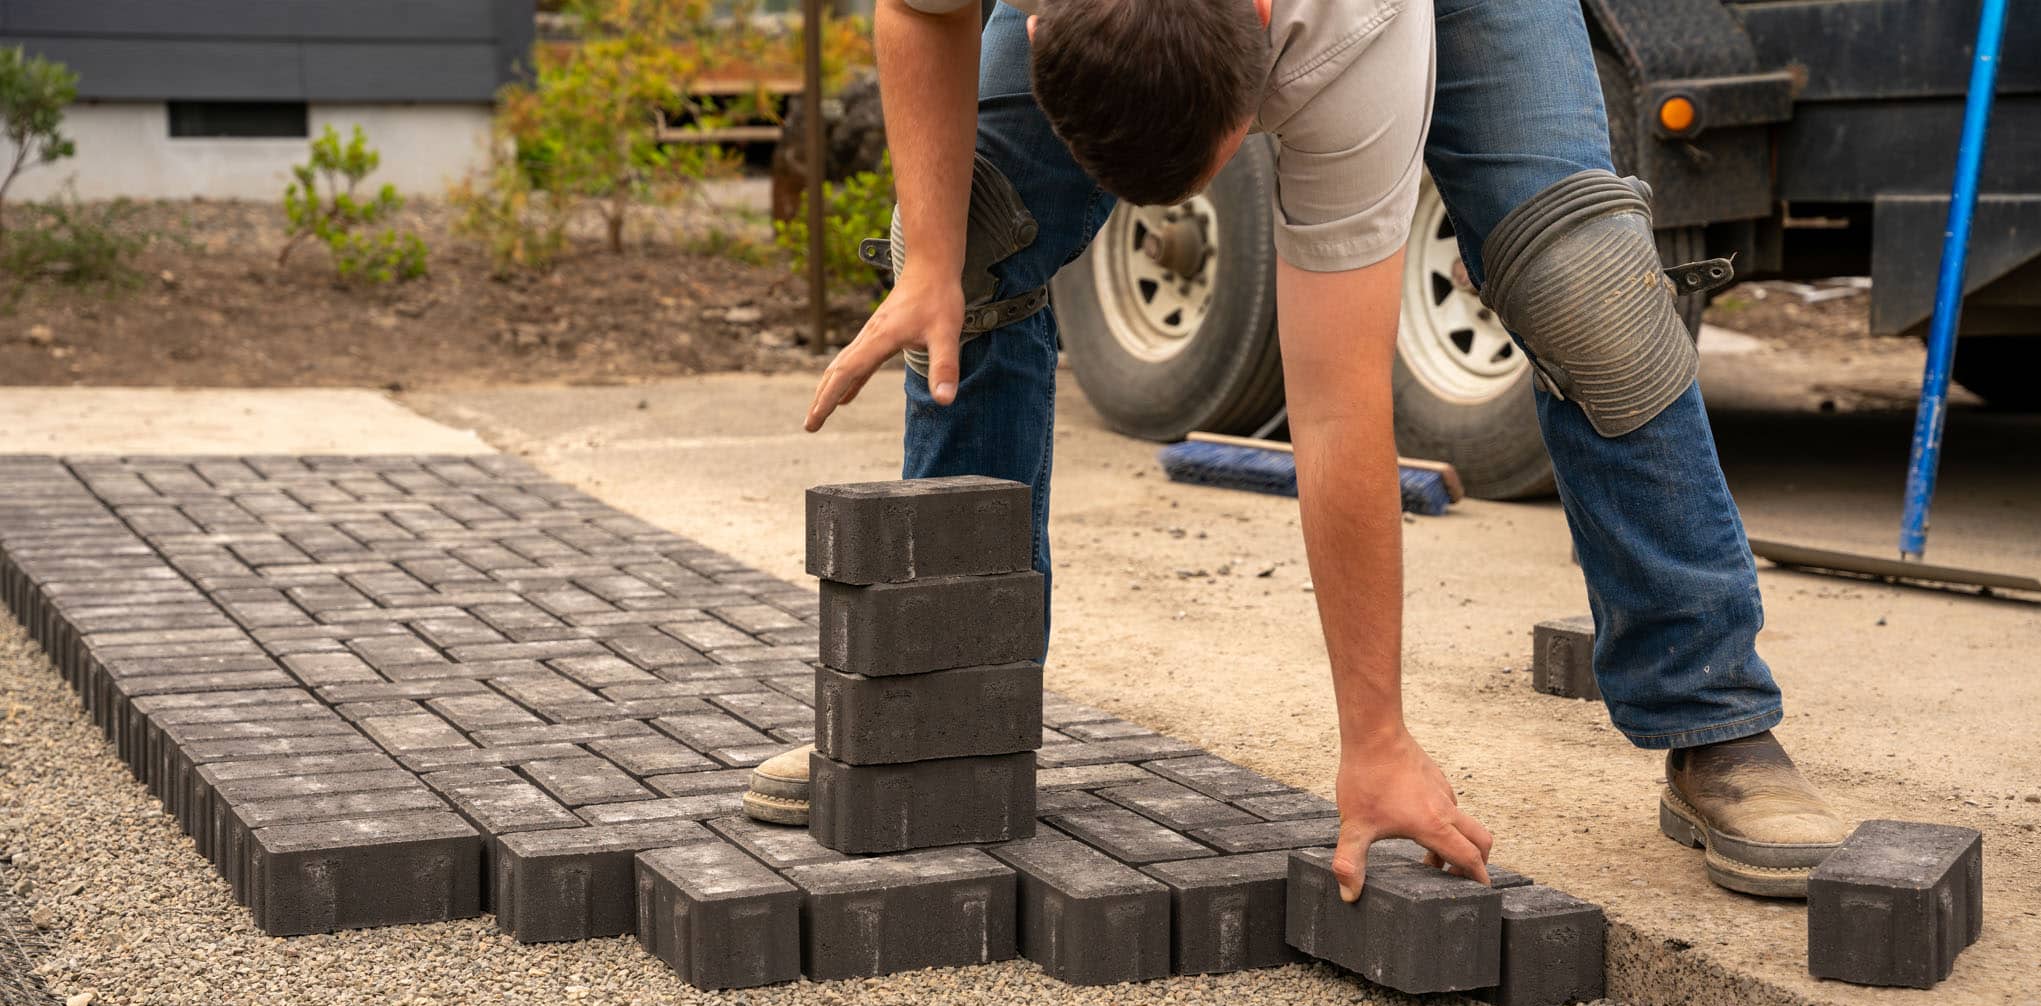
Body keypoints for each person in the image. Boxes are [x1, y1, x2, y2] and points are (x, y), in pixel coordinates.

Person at [750, 0, 1848, 902]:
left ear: (1267, 55)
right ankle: (946, 711)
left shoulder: (1353, 33)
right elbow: (912, 9)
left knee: (1582, 287)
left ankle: (1714, 720)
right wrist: (931, 262)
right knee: (968, 252)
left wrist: (1374, 742)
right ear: (1033, 23)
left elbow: (1336, 412)